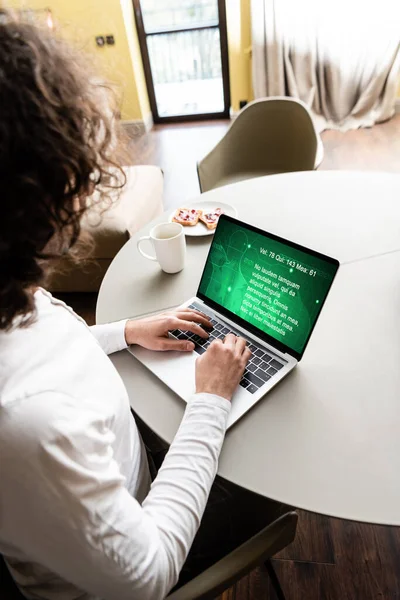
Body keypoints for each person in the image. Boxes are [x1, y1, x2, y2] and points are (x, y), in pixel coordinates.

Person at [0, 12, 288, 600]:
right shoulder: (24, 426)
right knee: (277, 472)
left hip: (114, 469)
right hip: (138, 529)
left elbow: (45, 341)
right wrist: (208, 401)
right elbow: (149, 577)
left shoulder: (11, 290)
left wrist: (127, 330)